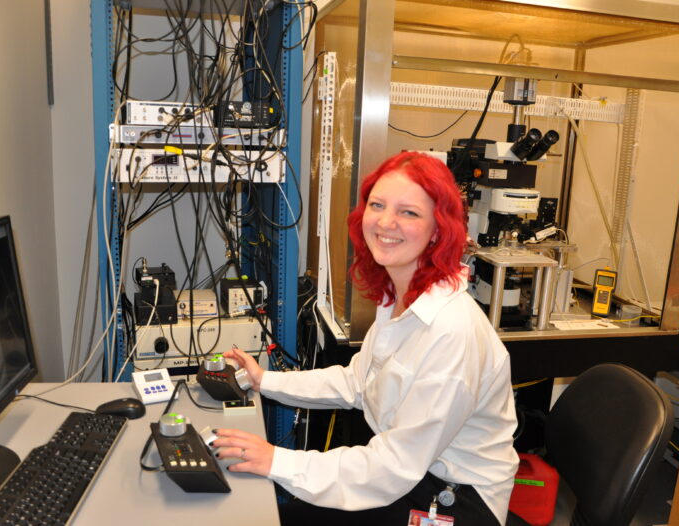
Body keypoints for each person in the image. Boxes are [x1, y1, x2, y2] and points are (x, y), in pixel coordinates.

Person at [213, 151, 519, 525]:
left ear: (438, 230)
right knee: (276, 514)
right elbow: (358, 381)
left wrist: (274, 459)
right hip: (408, 474)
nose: (387, 222)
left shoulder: (451, 331)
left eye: (409, 212)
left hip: (456, 500)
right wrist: (265, 381)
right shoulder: (401, 297)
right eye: (378, 205)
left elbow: (393, 467)